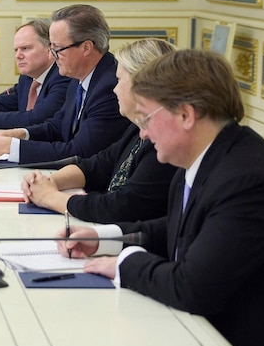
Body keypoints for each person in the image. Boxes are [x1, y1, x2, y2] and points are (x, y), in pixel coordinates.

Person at [61, 50, 264, 346]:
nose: (142, 134)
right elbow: (177, 228)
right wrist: (107, 238)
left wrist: (122, 264)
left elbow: (193, 288)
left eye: (148, 119)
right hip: (214, 343)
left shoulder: (247, 180)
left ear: (185, 114)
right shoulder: (214, 156)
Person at [21, 38, 178, 222]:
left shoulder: (162, 142)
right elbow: (95, 166)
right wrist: (49, 182)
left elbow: (121, 207)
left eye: (119, 80)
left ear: (142, 86)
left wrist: (49, 198)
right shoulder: (137, 129)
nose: (115, 89)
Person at [0, 4, 131, 164]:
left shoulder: (109, 87)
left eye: (58, 49)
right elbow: (59, 124)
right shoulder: (78, 75)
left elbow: (80, 152)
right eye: (51, 47)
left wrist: (12, 147)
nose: (53, 56)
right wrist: (23, 134)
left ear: (86, 47)